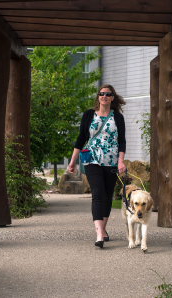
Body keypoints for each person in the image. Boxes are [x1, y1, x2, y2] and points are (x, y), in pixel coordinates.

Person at [68, 84, 127, 248]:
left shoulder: (118, 118)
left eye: (108, 94)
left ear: (112, 98)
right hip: (92, 159)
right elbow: (81, 138)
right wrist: (72, 160)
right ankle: (99, 233)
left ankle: (103, 228)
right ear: (98, 96)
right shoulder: (88, 115)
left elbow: (122, 141)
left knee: (108, 195)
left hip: (111, 161)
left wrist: (121, 161)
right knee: (98, 193)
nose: (104, 96)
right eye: (101, 93)